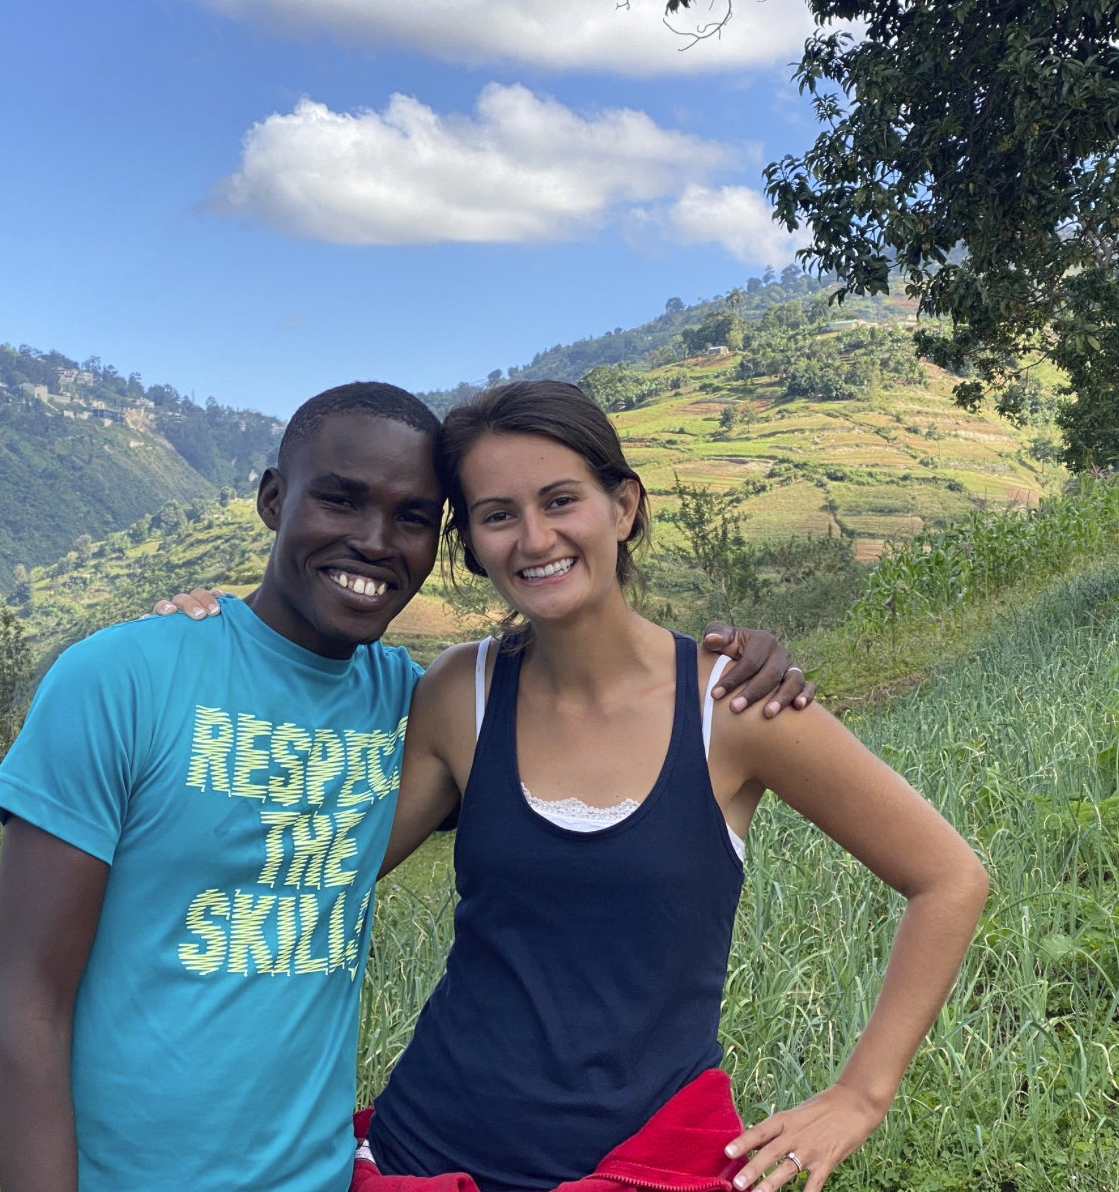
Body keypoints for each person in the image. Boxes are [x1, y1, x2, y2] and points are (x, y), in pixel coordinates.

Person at [0, 380, 809, 1192]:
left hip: (324, 1173)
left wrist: (738, 666)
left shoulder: (407, 701)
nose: (376, 541)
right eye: (339, 501)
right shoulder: (119, 677)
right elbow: (27, 1004)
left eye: (413, 517)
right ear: (273, 499)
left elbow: (572, 759)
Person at [345, 381, 986, 1192]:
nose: (535, 537)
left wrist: (860, 1094)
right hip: (427, 1153)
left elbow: (948, 878)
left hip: (642, 1165)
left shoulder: (736, 706)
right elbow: (330, 871)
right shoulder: (459, 691)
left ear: (623, 506)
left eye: (561, 499)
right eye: (498, 513)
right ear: (470, 541)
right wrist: (216, 645)